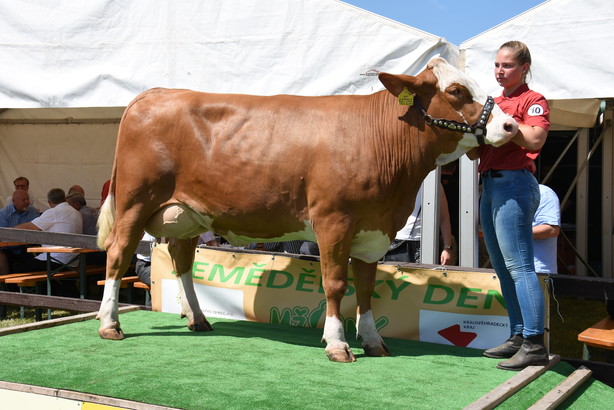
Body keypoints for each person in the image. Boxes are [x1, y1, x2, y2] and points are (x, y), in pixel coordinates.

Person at [467, 41, 550, 370]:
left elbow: (534, 140)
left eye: (508, 66)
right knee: (502, 268)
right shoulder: (493, 103)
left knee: (520, 268)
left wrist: (507, 126)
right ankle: (518, 335)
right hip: (490, 183)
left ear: (524, 67)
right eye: (497, 65)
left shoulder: (533, 100)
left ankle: (534, 343)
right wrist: (473, 135)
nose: (500, 71)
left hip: (515, 183)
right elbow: (477, 153)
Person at [12, 188, 83, 272]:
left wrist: (6, 232)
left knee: (18, 271)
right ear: (65, 199)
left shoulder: (53, 212)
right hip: (73, 261)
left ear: (49, 202)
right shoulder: (76, 213)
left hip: (55, 259)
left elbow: (28, 227)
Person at [382, 183, 453, 265]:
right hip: (393, 242)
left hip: (421, 244)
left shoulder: (434, 185)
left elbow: (444, 219)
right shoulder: (395, 182)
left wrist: (447, 248)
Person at [0, 190, 40, 275]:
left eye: (27, 199)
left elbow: (37, 233)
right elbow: (4, 235)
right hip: (7, 249)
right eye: (23, 200)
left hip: (26, 248)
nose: (27, 202)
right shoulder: (3, 213)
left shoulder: (33, 212)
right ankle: (5, 285)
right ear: (14, 201)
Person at [533, 184, 560, 274]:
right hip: (501, 272)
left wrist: (509, 233)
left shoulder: (543, 192)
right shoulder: (500, 194)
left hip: (536, 272)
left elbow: (551, 229)